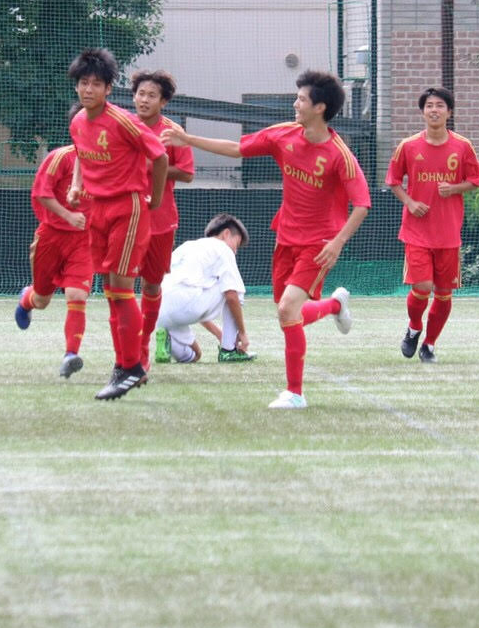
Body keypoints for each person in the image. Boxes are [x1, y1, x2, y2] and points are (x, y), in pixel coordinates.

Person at [165, 69, 369, 410]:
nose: (295, 104)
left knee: (289, 309)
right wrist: (188, 140)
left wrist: (337, 244)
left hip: (318, 245)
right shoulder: (283, 135)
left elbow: (362, 204)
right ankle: (334, 305)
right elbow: (236, 148)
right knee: (288, 312)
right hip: (285, 237)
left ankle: (295, 393)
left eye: (301, 99)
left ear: (320, 107)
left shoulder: (339, 155)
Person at [67, 48, 169, 401]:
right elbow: (80, 152)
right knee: (111, 292)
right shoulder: (78, 121)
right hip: (97, 212)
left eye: (96, 84)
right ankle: (124, 366)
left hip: (127, 208)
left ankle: (131, 366)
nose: (88, 90)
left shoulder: (123, 121)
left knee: (123, 289)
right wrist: (77, 183)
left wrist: (153, 199)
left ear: (109, 88)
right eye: (83, 83)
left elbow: (160, 156)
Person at [385, 87, 479, 363]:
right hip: (417, 231)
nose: (434, 110)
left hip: (448, 233)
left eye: (440, 105)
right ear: (423, 112)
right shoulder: (409, 145)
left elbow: (475, 181)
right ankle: (414, 327)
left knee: (443, 293)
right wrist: (410, 202)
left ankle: (429, 344)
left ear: (449, 112)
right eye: (429, 106)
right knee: (423, 286)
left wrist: (454, 188)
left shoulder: (462, 146)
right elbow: (392, 180)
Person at [13, 138, 95, 379]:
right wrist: (68, 215)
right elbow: (41, 194)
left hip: (84, 240)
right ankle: (27, 299)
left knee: (77, 295)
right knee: (42, 300)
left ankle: (70, 355)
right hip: (51, 237)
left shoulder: (109, 162)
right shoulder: (61, 157)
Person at [130, 70, 194, 371]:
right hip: (125, 217)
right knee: (120, 282)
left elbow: (188, 174)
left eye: (151, 95)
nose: (144, 100)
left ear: (163, 101)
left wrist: (156, 166)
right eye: (140, 93)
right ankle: (129, 349)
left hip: (160, 219)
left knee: (152, 285)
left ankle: (147, 339)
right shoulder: (123, 127)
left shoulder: (172, 132)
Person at [156, 213, 255, 365]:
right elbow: (231, 296)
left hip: (161, 309)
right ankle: (228, 351)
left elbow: (191, 299)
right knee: (233, 288)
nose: (235, 251)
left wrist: (219, 334)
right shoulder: (222, 249)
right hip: (186, 302)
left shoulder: (188, 245)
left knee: (194, 356)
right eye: (236, 244)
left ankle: (164, 338)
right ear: (226, 233)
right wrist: (242, 334)